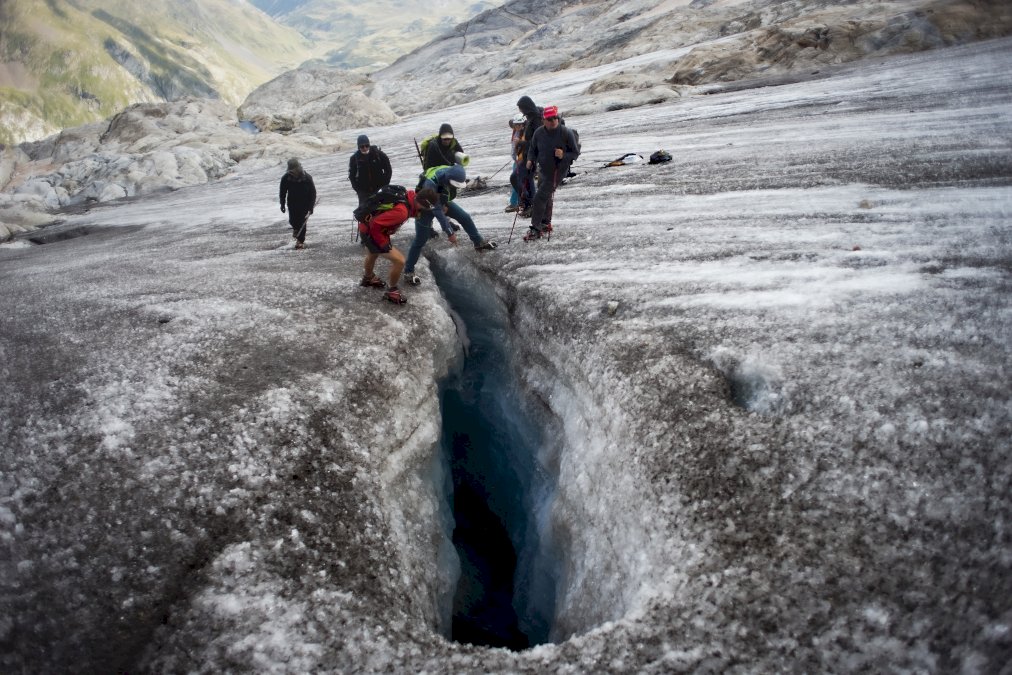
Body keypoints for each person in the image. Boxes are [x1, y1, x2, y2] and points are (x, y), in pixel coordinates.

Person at [403, 157, 496, 286]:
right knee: (420, 240)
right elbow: (437, 211)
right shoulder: (431, 183)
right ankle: (408, 271)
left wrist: (444, 202)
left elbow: (443, 192)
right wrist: (449, 232)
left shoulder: (450, 173)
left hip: (438, 201)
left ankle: (478, 242)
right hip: (425, 207)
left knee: (465, 217)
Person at [359, 187, 439, 304]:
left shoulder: (408, 196)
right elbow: (375, 224)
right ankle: (392, 291)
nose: (425, 210)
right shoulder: (402, 212)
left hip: (366, 228)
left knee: (373, 254)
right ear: (421, 203)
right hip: (371, 231)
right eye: (426, 207)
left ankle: (368, 278)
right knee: (399, 261)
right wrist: (383, 243)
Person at [523, 105, 580, 242]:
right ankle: (545, 223)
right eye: (550, 119)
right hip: (543, 169)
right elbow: (533, 148)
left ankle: (535, 228)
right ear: (544, 120)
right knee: (546, 197)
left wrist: (563, 155)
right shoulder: (539, 133)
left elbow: (575, 153)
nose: (553, 120)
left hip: (557, 171)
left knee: (539, 198)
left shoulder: (566, 133)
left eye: (555, 117)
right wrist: (530, 159)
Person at [513, 95, 543, 217]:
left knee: (515, 178)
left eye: (520, 108)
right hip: (527, 155)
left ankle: (527, 202)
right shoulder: (530, 118)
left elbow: (537, 141)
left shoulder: (535, 120)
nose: (520, 111)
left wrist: (521, 143)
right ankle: (530, 204)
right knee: (527, 179)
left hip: (530, 156)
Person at [279, 158, 316, 250]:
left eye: (293, 170)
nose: (291, 172)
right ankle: (296, 230)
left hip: (305, 204)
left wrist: (311, 207)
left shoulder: (307, 178)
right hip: (292, 203)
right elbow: (282, 192)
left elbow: (313, 193)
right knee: (292, 221)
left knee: (302, 222)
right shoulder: (286, 178)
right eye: (290, 170)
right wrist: (282, 204)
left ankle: (300, 241)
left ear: (298, 168)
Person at [348, 134, 392, 206]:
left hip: (380, 188)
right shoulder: (354, 159)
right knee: (364, 214)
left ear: (369, 145)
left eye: (367, 145)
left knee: (383, 210)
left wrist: (385, 185)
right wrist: (358, 190)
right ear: (358, 147)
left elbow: (388, 170)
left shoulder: (379, 154)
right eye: (362, 146)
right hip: (364, 192)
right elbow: (351, 176)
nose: (365, 148)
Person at [505, 114, 526, 213]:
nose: (517, 127)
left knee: (517, 179)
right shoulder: (516, 132)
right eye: (515, 125)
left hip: (523, 160)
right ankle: (518, 202)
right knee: (517, 180)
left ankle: (516, 203)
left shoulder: (524, 132)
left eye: (519, 125)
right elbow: (514, 147)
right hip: (518, 160)